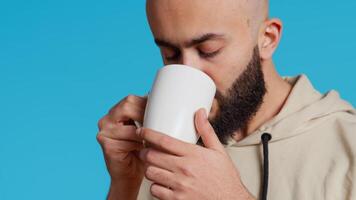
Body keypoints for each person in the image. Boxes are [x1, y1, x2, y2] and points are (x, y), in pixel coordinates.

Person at [96, 0, 356, 199]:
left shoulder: (347, 145)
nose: (190, 71)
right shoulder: (158, 146)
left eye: (209, 51)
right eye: (170, 54)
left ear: (267, 39)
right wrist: (124, 186)